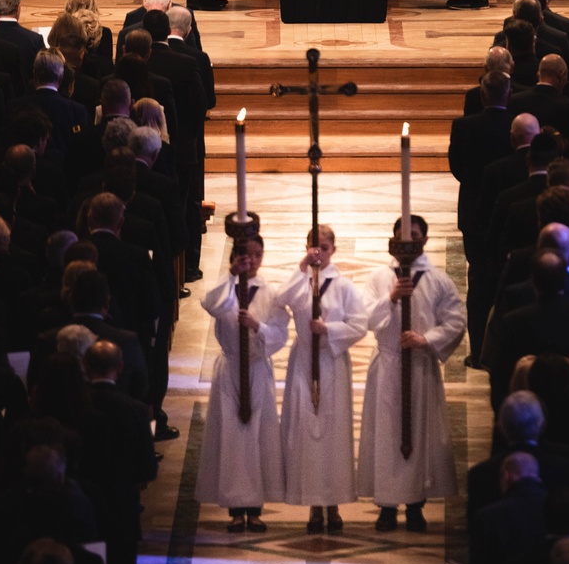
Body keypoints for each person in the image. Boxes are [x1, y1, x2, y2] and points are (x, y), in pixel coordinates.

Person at [357, 214, 466, 532]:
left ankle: (416, 504)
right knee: (387, 434)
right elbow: (364, 316)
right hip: (389, 364)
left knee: (420, 433)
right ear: (392, 240)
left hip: (420, 367)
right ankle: (387, 506)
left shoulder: (438, 279)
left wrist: (426, 339)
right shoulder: (380, 277)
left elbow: (455, 320)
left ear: (425, 240)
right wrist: (390, 299)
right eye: (402, 235)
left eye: (414, 236)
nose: (408, 242)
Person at [277, 225, 368, 534]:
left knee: (333, 433)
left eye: (324, 248)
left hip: (332, 363)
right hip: (303, 361)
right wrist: (303, 267)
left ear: (334, 250)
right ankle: (314, 504)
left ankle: (334, 502)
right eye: (313, 248)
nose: (319, 254)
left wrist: (328, 329)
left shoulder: (343, 286)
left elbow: (359, 324)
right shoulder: (301, 280)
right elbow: (280, 299)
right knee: (305, 430)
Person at [196, 234, 288, 531]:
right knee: (233, 437)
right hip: (231, 367)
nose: (254, 261)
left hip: (258, 368)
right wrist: (232, 274)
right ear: (237, 257)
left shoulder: (269, 292)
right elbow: (211, 304)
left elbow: (281, 333)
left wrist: (257, 327)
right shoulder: (227, 288)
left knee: (258, 435)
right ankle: (236, 508)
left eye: (258, 255)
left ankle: (256, 507)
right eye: (247, 256)